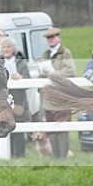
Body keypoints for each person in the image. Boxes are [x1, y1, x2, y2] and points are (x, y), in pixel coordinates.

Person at [38, 27, 76, 158]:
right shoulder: (45, 54)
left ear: (59, 38)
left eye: (53, 37)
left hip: (62, 99)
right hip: (48, 98)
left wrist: (52, 74)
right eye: (48, 38)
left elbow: (70, 71)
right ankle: (56, 157)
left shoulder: (65, 53)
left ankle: (63, 158)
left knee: (62, 130)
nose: (51, 40)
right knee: (52, 130)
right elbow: (41, 72)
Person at [0, 37, 31, 157]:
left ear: (13, 49)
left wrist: (20, 78)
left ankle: (20, 155)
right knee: (5, 127)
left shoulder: (21, 62)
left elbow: (28, 80)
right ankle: (8, 154)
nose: (6, 49)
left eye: (8, 47)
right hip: (3, 100)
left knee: (18, 130)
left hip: (18, 101)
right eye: (4, 47)